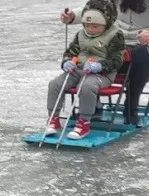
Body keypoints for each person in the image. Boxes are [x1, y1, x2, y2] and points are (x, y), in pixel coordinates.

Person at [61, 0, 149, 125]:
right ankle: (93, 104)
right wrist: (73, 16)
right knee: (91, 47)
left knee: (141, 54)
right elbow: (94, 7)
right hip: (116, 44)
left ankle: (131, 108)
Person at [47, 0, 125, 140]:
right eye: (87, 25)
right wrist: (67, 62)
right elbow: (71, 52)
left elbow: (117, 60)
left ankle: (84, 123)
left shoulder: (115, 35)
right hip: (78, 69)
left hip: (103, 74)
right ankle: (53, 119)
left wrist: (100, 66)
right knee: (55, 84)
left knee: (87, 86)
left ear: (106, 23)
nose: (90, 29)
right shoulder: (81, 34)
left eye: (95, 26)